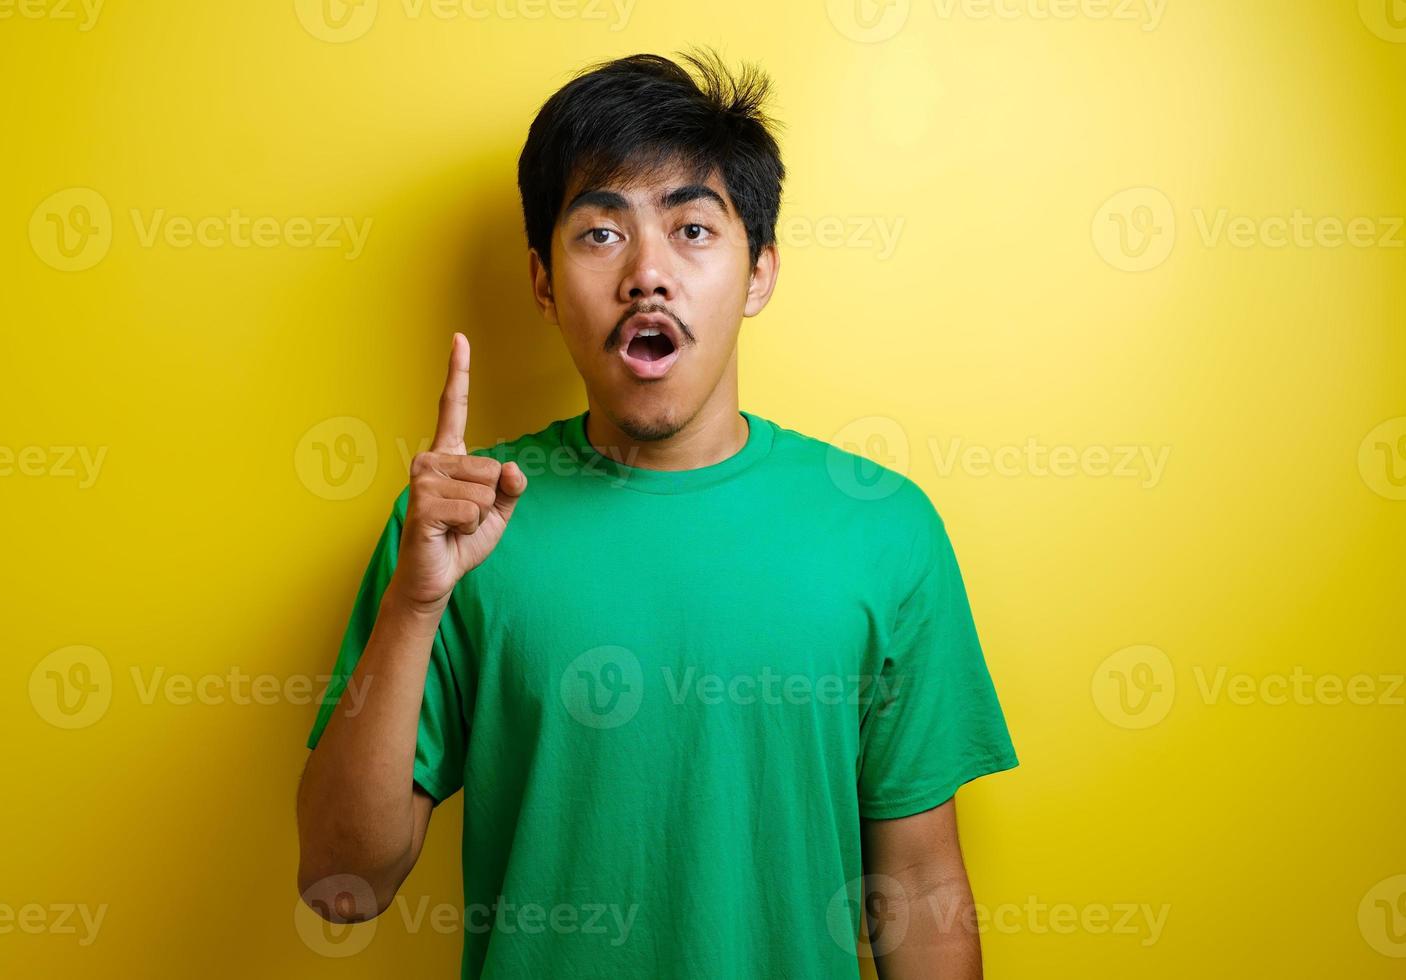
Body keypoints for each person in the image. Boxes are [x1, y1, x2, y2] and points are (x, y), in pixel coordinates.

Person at [295, 46, 1018, 979]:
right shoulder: (460, 528)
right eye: (601, 232)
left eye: (694, 230)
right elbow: (340, 884)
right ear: (544, 283)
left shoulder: (882, 529)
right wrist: (415, 603)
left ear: (759, 273)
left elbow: (918, 886)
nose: (647, 273)